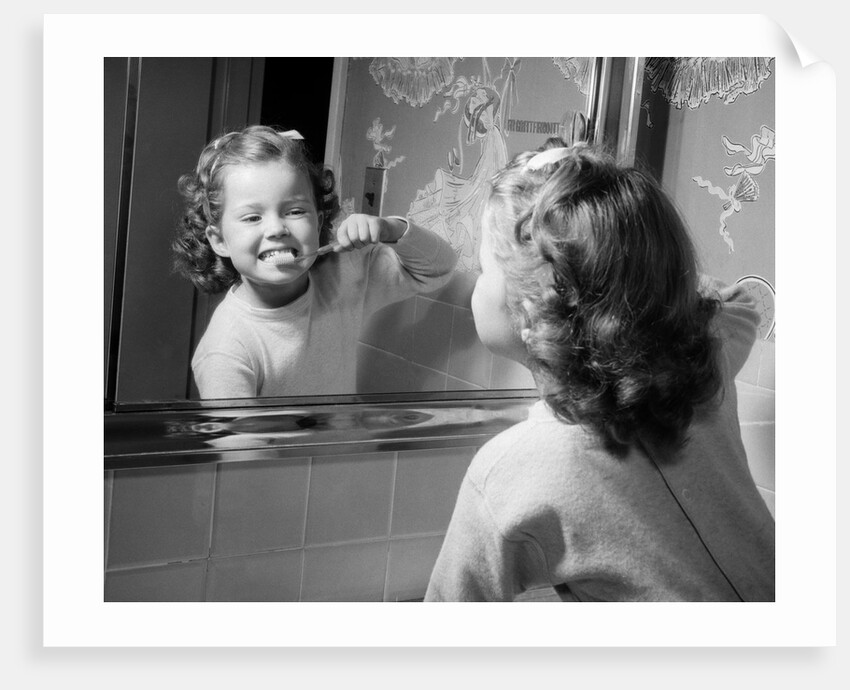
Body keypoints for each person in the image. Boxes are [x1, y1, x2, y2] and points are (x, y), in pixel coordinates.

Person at [425, 140, 775, 602]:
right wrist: (629, 258)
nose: (475, 280)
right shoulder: (702, 369)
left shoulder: (509, 472)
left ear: (532, 311)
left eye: (485, 269)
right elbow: (737, 305)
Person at [172, 125, 457, 399]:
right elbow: (244, 450)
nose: (277, 229)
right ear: (219, 239)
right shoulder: (225, 351)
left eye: (295, 211)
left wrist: (390, 229)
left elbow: (438, 269)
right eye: (252, 217)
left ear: (318, 222)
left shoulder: (345, 273)